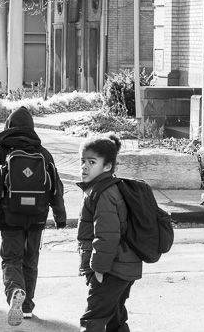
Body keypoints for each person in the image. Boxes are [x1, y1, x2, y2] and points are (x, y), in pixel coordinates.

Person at [0, 106, 67, 327]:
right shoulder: (43, 153)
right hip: (37, 216)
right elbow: (56, 188)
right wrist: (60, 217)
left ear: (8, 126)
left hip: (9, 215)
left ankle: (15, 291)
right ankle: (27, 306)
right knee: (30, 259)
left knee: (11, 259)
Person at [77, 132, 142, 332]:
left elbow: (107, 235)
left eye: (92, 162)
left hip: (110, 269)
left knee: (93, 319)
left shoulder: (102, 193)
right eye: (83, 161)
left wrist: (98, 269)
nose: (85, 166)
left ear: (107, 167)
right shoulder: (107, 189)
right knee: (115, 318)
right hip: (123, 267)